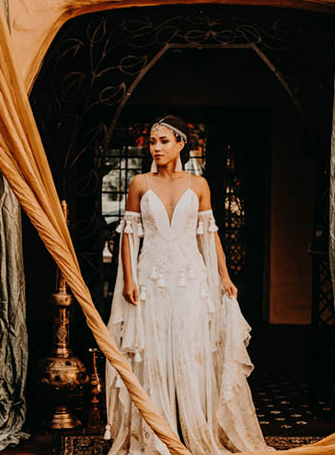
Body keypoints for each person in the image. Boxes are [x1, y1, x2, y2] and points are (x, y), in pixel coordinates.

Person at [105, 115, 271, 454]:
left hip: (190, 279)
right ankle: (155, 434)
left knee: (191, 350)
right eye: (153, 142)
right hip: (151, 278)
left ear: (181, 143)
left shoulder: (199, 185)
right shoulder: (139, 183)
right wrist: (129, 279)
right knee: (151, 352)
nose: (157, 148)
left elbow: (209, 235)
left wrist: (223, 276)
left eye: (164, 141)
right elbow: (128, 236)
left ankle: (192, 427)